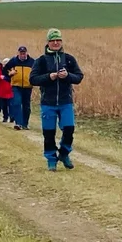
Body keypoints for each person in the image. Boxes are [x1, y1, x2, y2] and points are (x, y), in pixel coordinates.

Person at [34, 29, 83, 170]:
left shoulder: (69, 59)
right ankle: (51, 159)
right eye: (52, 40)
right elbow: (33, 79)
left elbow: (79, 77)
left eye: (58, 40)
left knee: (69, 129)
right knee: (49, 133)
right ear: (48, 42)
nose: (55, 43)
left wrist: (67, 76)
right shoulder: (41, 61)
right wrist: (49, 77)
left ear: (61, 42)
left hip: (65, 102)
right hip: (48, 102)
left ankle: (64, 153)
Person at [6, 45, 34, 131]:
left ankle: (25, 124)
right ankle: (18, 123)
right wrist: (10, 73)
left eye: (24, 53)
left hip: (27, 86)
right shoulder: (13, 61)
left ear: (26, 53)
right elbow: (5, 70)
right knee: (16, 103)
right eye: (21, 53)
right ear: (18, 53)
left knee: (26, 106)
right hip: (16, 86)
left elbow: (37, 71)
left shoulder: (32, 62)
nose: (23, 55)